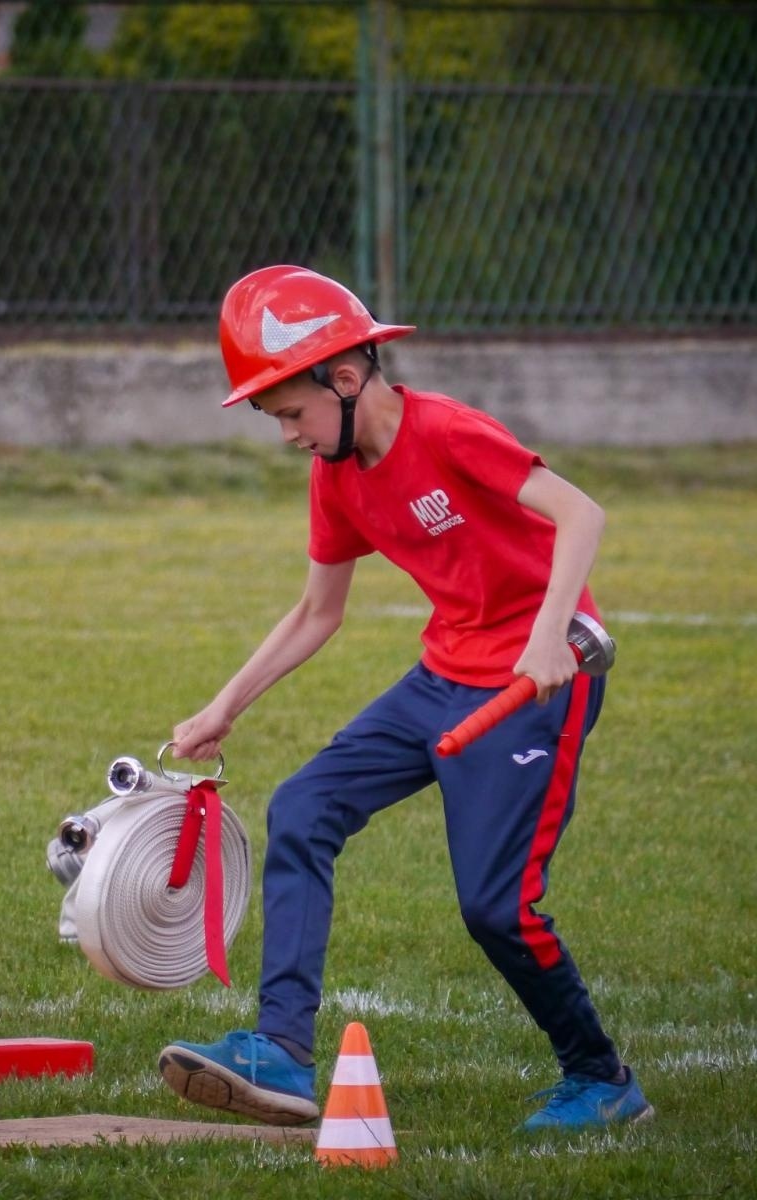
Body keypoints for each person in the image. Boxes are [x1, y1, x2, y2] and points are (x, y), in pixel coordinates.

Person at [157, 265, 652, 1132]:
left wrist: (548, 634)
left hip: (534, 686)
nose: (287, 437)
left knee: (496, 909)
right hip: (441, 681)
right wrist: (224, 705)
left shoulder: (450, 431)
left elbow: (583, 515)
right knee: (303, 807)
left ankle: (602, 1077)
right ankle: (281, 1052)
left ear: (346, 380)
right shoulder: (337, 474)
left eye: (291, 415)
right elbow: (319, 610)